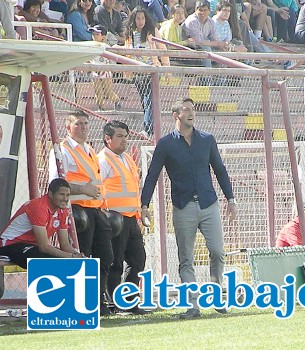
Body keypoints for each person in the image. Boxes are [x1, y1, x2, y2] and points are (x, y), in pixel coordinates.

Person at [141, 97, 238, 319]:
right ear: (176, 115)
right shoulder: (165, 144)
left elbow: (220, 170)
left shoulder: (207, 139)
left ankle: (216, 296)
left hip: (208, 203)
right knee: (186, 257)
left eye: (193, 109)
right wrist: (144, 204)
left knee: (217, 251)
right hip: (183, 206)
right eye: (186, 110)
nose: (191, 113)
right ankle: (192, 305)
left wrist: (231, 199)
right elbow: (152, 175)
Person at [48, 111, 114, 315]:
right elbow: (56, 182)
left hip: (95, 209)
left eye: (86, 123)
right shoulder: (61, 150)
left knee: (105, 255)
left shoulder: (90, 150)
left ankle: (98, 300)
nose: (84, 127)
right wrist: (81, 190)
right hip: (75, 210)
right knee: (81, 254)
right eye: (78, 124)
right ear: (68, 127)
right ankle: (80, 302)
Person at [97, 121, 148, 315]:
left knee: (137, 260)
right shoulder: (103, 159)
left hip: (130, 218)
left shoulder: (127, 158)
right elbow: (98, 188)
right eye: (119, 136)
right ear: (107, 139)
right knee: (115, 262)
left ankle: (128, 302)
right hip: (113, 218)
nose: (124, 140)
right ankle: (113, 302)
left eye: (126, 136)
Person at [0, 179, 85, 268]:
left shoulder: (63, 211)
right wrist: (71, 257)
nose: (65, 199)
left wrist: (79, 256)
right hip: (11, 243)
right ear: (51, 194)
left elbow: (65, 244)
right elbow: (44, 247)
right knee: (49, 262)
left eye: (67, 195)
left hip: (33, 245)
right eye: (62, 194)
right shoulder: (38, 207)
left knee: (79, 263)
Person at [124, 6, 170, 136]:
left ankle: (148, 129)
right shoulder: (130, 33)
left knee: (149, 100)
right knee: (144, 102)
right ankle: (151, 129)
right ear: (133, 20)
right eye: (138, 18)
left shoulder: (152, 31)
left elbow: (162, 48)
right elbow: (127, 50)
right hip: (137, 72)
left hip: (151, 71)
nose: (140, 21)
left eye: (143, 18)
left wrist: (166, 68)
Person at [89, 24, 123, 112]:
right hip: (95, 71)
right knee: (98, 91)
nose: (94, 36)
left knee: (108, 91)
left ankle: (116, 101)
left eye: (97, 34)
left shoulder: (106, 47)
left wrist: (112, 68)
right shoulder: (90, 46)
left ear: (103, 36)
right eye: (93, 34)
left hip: (105, 71)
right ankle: (100, 107)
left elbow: (112, 59)